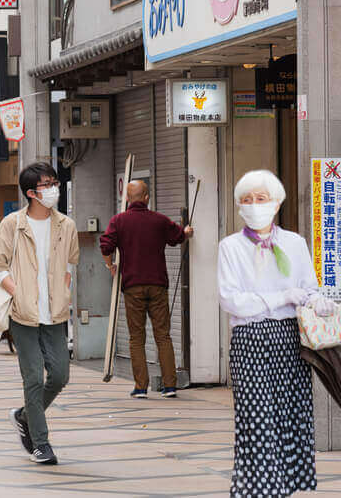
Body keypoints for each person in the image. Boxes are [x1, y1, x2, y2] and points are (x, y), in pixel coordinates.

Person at [218, 170, 333, 496]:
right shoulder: (231, 247)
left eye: (261, 199)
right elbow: (230, 299)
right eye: (247, 200)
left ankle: (284, 486)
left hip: (289, 338)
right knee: (256, 419)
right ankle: (256, 489)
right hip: (251, 339)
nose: (254, 206)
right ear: (239, 206)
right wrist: (279, 298)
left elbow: (307, 288)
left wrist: (317, 301)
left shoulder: (294, 243)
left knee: (290, 415)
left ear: (276, 203)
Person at [0, 162, 79, 466]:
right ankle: (40, 443)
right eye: (47, 184)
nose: (54, 188)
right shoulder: (13, 224)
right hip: (23, 313)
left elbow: (70, 263)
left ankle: (25, 416)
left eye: (54, 182)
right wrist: (18, 293)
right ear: (31, 192)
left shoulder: (66, 225)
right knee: (34, 379)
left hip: (55, 312)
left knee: (61, 375)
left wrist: (64, 289)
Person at [99, 180, 194, 399]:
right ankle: (170, 386)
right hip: (158, 285)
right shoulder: (159, 220)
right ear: (147, 197)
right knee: (163, 336)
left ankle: (141, 387)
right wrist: (186, 231)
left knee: (136, 337)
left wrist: (110, 265)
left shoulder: (119, 221)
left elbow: (105, 245)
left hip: (133, 286)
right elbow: (178, 236)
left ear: (128, 199)